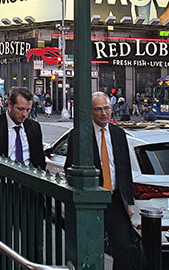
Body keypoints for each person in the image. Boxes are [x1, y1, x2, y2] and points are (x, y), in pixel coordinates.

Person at [64, 92, 138, 270]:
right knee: (89, 246)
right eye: (98, 109)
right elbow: (69, 168)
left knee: (124, 248)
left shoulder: (118, 134)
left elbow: (125, 169)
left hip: (116, 198)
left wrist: (129, 202)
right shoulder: (80, 135)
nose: (103, 113)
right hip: (91, 199)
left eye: (106, 108)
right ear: (90, 111)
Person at [0, 87, 46, 169]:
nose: (24, 114)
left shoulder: (34, 127)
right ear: (10, 105)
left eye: (28, 110)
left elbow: (39, 159)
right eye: (20, 109)